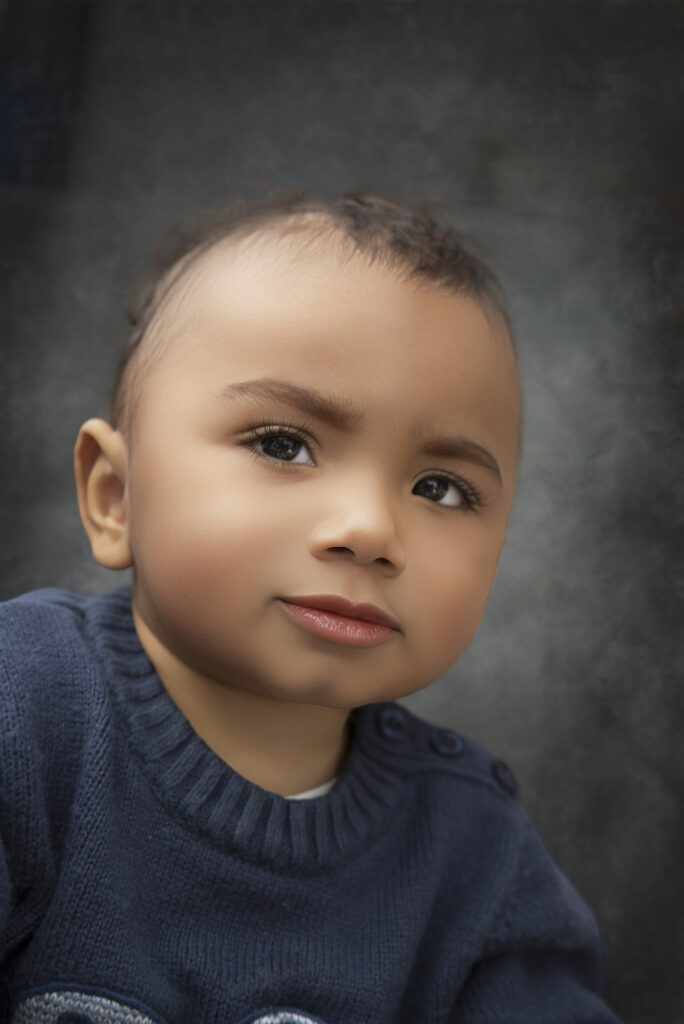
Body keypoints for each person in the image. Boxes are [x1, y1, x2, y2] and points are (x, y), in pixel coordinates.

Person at [0, 193, 623, 1023]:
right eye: (283, 444)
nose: (370, 531)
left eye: (440, 488)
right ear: (115, 497)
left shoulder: (476, 851)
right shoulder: (25, 709)